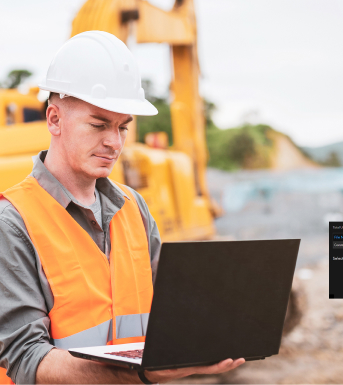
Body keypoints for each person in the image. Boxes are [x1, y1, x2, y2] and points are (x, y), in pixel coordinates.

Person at [0, 31, 244, 384]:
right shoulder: (13, 222)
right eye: (98, 125)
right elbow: (26, 360)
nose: (114, 143)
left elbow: (166, 312)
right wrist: (141, 374)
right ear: (54, 119)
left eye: (122, 127)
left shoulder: (134, 207)